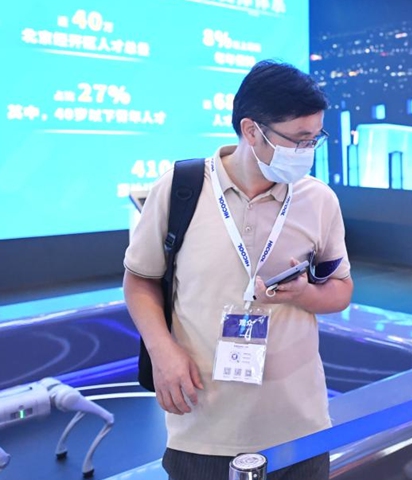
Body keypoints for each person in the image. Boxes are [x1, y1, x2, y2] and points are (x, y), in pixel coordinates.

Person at [123, 60, 353, 480]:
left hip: (300, 426)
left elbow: (341, 289)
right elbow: (140, 279)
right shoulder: (180, 187)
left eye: (315, 139)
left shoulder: (319, 200)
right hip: (202, 426)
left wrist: (306, 294)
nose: (307, 151)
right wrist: (161, 350)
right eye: (298, 139)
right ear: (251, 130)